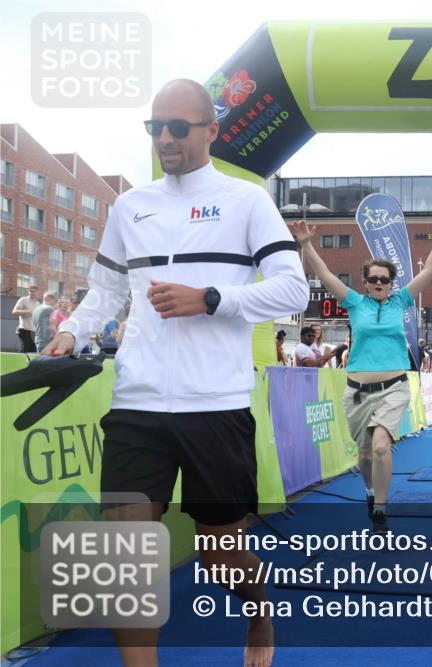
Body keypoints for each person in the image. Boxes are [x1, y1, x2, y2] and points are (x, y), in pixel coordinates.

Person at [43, 78, 309, 667]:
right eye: (155, 127)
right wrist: (74, 331)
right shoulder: (130, 205)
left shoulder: (247, 200)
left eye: (178, 128)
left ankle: (259, 613)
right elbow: (106, 291)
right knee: (126, 558)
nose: (164, 139)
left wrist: (212, 297)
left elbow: (295, 290)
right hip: (137, 405)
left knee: (220, 553)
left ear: (211, 131)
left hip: (215, 405)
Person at [289, 214, 432, 534]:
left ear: (392, 283)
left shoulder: (400, 301)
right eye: (374, 279)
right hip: (357, 392)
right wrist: (307, 244)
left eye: (385, 280)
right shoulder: (354, 303)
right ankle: (369, 491)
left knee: (380, 447)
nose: (379, 284)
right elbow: (323, 273)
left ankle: (380, 511)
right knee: (364, 455)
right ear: (365, 282)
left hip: (394, 388)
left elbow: (430, 271)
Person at [11, 284, 40, 352]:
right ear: (28, 291)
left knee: (33, 351)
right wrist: (26, 311)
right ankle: (20, 362)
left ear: (38, 292)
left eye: (34, 291)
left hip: (34, 331)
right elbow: (14, 312)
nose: (32, 293)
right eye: (30, 291)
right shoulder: (23, 300)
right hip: (24, 329)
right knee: (24, 350)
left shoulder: (38, 304)